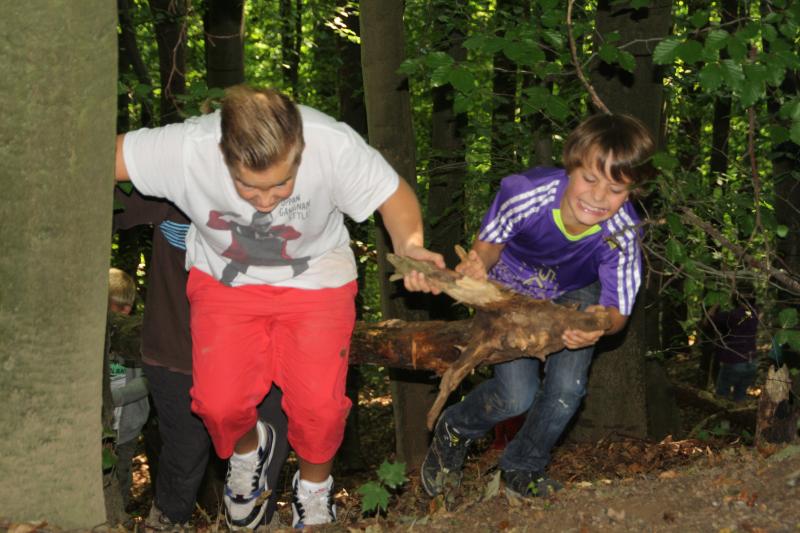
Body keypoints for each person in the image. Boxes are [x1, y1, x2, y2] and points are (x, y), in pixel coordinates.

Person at [114, 84, 443, 528]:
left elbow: (393, 195)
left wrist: (411, 245)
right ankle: (248, 453)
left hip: (317, 279)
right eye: (249, 187)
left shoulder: (330, 142)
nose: (267, 201)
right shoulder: (188, 147)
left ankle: (314, 492)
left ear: (299, 148)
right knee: (217, 405)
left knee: (320, 408)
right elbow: (99, 157)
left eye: (282, 183)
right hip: (225, 281)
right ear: (223, 154)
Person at [420, 113, 655, 499]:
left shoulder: (623, 234)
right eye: (589, 179)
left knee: (566, 390)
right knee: (516, 395)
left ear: (631, 192)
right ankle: (455, 428)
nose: (598, 197)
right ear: (571, 168)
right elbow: (489, 246)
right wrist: (477, 266)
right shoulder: (526, 193)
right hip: (510, 287)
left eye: (615, 189)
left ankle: (523, 467)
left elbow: (618, 312)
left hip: (576, 292)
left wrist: (599, 324)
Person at [112, 189, 290, 530]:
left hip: (262, 352)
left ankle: (259, 521)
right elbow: (101, 206)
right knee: (184, 452)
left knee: (267, 444)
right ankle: (167, 520)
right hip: (179, 350)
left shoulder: (280, 183)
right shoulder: (175, 176)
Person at [106, 267, 150, 511]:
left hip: (126, 427)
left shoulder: (134, 335)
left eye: (128, 306)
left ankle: (120, 515)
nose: (124, 311)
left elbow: (147, 380)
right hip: (100, 427)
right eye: (117, 305)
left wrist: (116, 397)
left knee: (122, 474)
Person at [711, 297, 759, 402]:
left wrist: (716, 303)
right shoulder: (754, 314)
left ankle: (723, 411)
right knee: (740, 396)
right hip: (751, 362)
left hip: (734, 361)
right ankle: (737, 410)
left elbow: (709, 320)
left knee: (722, 395)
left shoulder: (731, 316)